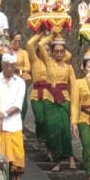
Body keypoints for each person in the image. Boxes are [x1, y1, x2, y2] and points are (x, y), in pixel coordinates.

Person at [27, 33, 76, 172]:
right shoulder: (48, 62)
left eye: (61, 51)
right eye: (56, 51)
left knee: (65, 130)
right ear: (52, 53)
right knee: (52, 131)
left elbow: (73, 87)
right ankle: (57, 161)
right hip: (49, 100)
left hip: (64, 99)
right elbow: (40, 45)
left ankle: (70, 157)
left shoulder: (69, 67)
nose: (59, 53)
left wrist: (60, 36)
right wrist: (52, 35)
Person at [70, 50, 90, 176]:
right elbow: (74, 104)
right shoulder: (78, 83)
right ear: (84, 69)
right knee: (88, 145)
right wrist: (74, 122)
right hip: (85, 117)